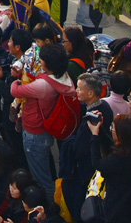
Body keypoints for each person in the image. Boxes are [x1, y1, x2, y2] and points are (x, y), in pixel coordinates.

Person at [9, 43, 77, 200]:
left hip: (34, 133)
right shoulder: (62, 78)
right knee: (44, 169)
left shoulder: (43, 85)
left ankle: (48, 206)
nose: (39, 61)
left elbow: (15, 91)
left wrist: (17, 81)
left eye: (42, 60)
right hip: (44, 131)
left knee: (41, 177)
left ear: (48, 64)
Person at [58, 71, 113, 221]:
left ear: (90, 93)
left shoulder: (93, 117)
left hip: (88, 170)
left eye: (79, 88)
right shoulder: (104, 107)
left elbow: (80, 149)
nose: (76, 91)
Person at [84, 111, 131, 223]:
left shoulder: (118, 159)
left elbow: (97, 164)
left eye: (112, 129)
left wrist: (95, 136)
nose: (111, 131)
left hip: (117, 208)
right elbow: (112, 146)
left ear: (120, 134)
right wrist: (100, 129)